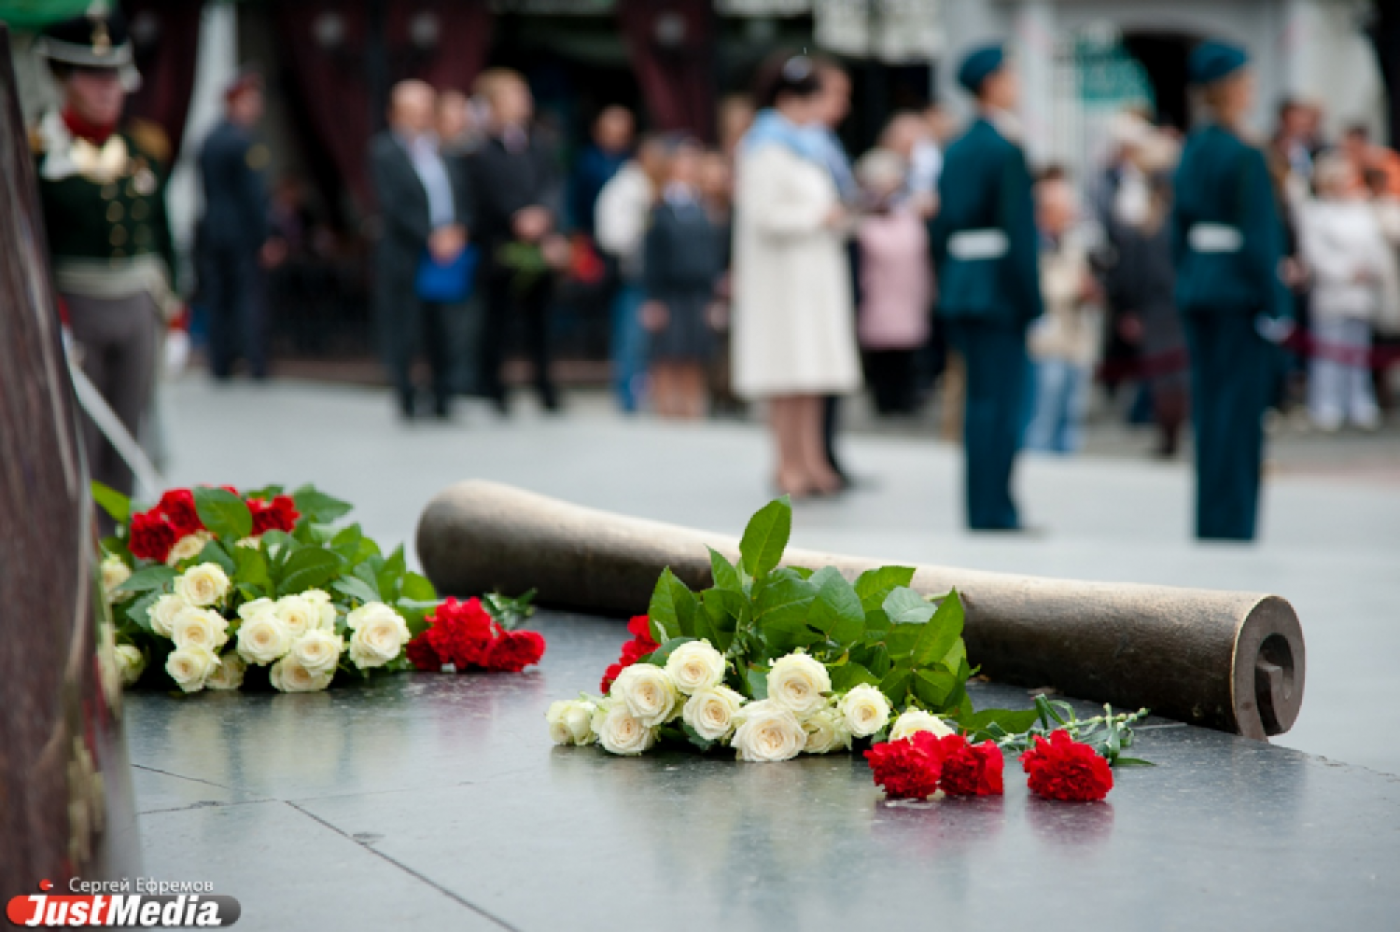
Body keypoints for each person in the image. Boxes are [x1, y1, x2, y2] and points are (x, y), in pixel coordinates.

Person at [32, 10, 178, 500]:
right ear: (64, 80)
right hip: (78, 305)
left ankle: (118, 546)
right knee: (79, 439)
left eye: (113, 78)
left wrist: (174, 316)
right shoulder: (37, 153)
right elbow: (32, 246)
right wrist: (54, 314)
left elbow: (162, 232)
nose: (107, 90)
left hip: (136, 303)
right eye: (93, 79)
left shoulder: (141, 148)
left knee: (129, 431)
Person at [1171, 40, 1292, 541]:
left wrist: (1188, 278)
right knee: (1240, 412)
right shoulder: (1243, 153)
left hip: (1201, 284)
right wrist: (1277, 303)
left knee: (1210, 407)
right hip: (1239, 293)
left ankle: (1209, 516)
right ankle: (1234, 520)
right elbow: (1259, 237)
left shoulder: (1194, 147)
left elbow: (1177, 229)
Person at [731, 54, 861, 499]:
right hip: (782, 280)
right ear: (787, 100)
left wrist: (842, 216)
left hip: (814, 276)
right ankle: (785, 463)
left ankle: (811, 460)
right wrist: (817, 216)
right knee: (786, 377)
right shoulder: (765, 147)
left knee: (811, 376)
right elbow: (764, 215)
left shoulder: (811, 148)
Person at [928, 44, 1042, 531]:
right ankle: (997, 509)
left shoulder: (953, 147)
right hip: (998, 290)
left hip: (962, 284)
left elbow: (938, 229)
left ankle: (981, 506)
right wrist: (1032, 300)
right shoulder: (1005, 149)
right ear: (992, 83)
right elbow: (1019, 236)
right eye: (1010, 75)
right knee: (1003, 403)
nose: (1016, 83)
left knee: (977, 403)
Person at [368, 79, 473, 419]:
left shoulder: (441, 149)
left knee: (444, 326)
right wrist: (430, 234)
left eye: (427, 110)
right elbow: (394, 205)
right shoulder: (384, 150)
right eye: (415, 111)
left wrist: (456, 230)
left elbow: (461, 192)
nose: (422, 117)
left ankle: (443, 393)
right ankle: (407, 395)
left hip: (447, 251)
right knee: (406, 326)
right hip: (409, 252)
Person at [466, 68, 567, 414]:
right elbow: (483, 195)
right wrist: (516, 217)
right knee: (498, 320)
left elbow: (552, 184)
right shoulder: (479, 149)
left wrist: (545, 218)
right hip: (500, 246)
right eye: (514, 96)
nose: (523, 102)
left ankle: (544, 385)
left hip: (539, 244)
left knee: (540, 319)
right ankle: (494, 386)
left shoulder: (540, 142)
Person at [1106, 136, 1189, 457]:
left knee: (1163, 377)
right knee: (1176, 376)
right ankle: (1172, 435)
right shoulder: (1172, 228)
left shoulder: (1148, 228)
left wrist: (1129, 310)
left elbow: (1131, 276)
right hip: (1173, 307)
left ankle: (1166, 437)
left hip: (1156, 310)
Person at [1295, 154, 1391, 431]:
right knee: (1329, 350)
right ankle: (1327, 405)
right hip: (1332, 290)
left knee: (1358, 350)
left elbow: (1375, 247)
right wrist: (1347, 271)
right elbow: (1316, 254)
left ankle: (1359, 402)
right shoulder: (1316, 212)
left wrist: (1369, 271)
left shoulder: (1361, 210)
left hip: (1362, 291)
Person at [641, 140, 725, 419]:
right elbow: (651, 255)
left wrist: (715, 292)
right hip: (670, 292)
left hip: (699, 291)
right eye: (682, 161)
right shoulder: (659, 207)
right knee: (668, 353)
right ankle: (666, 410)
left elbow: (714, 252)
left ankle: (692, 410)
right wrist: (653, 298)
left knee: (695, 352)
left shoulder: (705, 207)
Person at [198, 70, 271, 381]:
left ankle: (220, 362)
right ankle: (253, 361)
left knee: (219, 297)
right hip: (240, 233)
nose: (256, 107)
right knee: (246, 297)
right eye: (250, 100)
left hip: (213, 229)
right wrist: (265, 236)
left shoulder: (210, 139)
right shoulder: (242, 143)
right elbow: (252, 195)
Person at [1025, 172, 1099, 454]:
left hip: (1077, 340)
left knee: (1071, 415)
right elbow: (1041, 286)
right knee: (1043, 416)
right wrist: (1075, 288)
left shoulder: (1076, 241)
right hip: (1047, 342)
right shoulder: (1034, 243)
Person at [853, 148, 931, 416]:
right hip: (877, 292)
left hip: (908, 292)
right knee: (882, 353)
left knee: (906, 351)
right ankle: (884, 401)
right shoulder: (863, 215)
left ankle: (906, 399)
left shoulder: (909, 212)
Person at [810, 57, 858, 487]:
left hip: (836, 256)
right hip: (807, 271)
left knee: (830, 365)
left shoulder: (824, 142)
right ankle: (814, 456)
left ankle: (826, 454)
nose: (842, 106)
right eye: (836, 95)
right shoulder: (797, 143)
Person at [595, 134, 668, 412]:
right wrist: (645, 236)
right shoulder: (624, 189)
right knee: (631, 339)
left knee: (649, 339)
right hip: (633, 274)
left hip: (657, 275)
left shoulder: (654, 188)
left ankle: (646, 394)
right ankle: (627, 397)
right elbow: (612, 235)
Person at [571, 105, 634, 237]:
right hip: (593, 230)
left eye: (622, 135)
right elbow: (576, 199)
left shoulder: (631, 160)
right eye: (611, 134)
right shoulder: (587, 161)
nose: (616, 140)